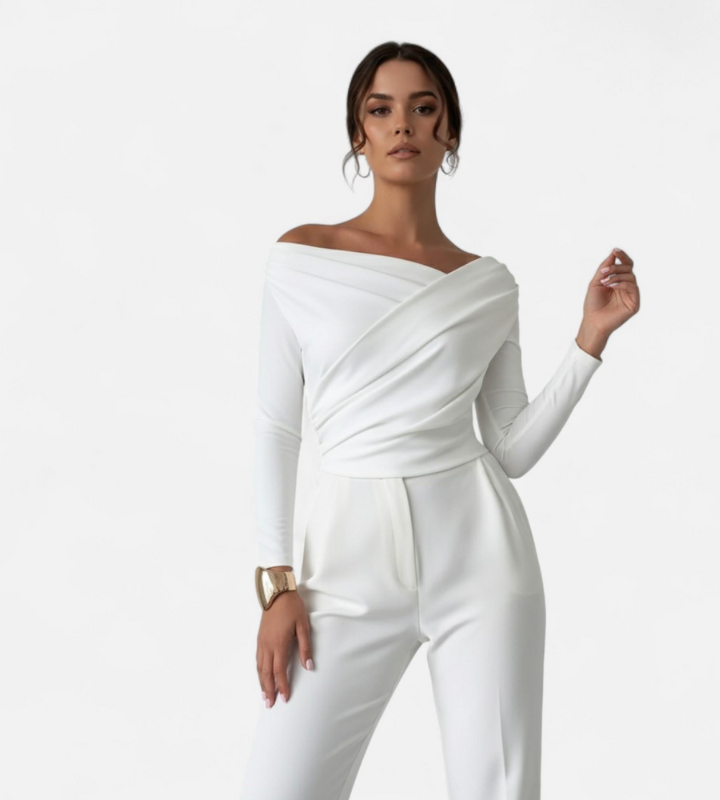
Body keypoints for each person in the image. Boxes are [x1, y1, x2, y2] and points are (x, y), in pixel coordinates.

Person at [240, 41, 639, 800]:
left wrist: (589, 340)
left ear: (449, 130)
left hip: (480, 555)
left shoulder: (488, 285)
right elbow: (274, 426)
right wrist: (276, 583)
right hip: (347, 563)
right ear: (358, 133)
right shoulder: (302, 259)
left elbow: (511, 448)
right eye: (380, 109)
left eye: (424, 108)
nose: (403, 125)